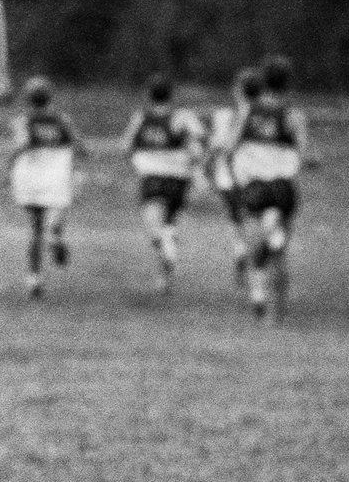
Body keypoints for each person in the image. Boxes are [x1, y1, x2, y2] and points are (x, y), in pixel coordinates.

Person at [220, 55, 315, 322]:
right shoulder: (293, 116)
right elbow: (305, 155)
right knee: (279, 247)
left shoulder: (247, 112)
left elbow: (228, 150)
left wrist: (237, 177)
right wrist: (310, 161)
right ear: (288, 83)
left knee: (256, 246)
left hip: (255, 188)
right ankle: (277, 314)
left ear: (263, 81)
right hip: (284, 189)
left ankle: (258, 293)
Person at [120, 74, 206, 295]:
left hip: (152, 175)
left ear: (149, 95)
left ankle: (165, 254)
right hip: (179, 177)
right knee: (169, 225)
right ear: (171, 94)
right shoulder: (183, 117)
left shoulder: (142, 117)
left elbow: (126, 145)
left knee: (154, 226)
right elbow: (200, 139)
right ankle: (163, 278)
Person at [8, 78, 82, 298]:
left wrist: (10, 160)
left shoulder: (23, 120)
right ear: (50, 97)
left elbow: (21, 144)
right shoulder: (62, 120)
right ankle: (56, 236)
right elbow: (79, 145)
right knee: (55, 219)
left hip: (30, 179)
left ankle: (33, 279)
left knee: (35, 229)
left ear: (28, 99)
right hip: (56, 178)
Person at [208, 67, 262, 284]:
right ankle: (256, 254)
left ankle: (240, 249)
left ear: (238, 91)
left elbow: (218, 145)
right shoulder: (263, 117)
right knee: (256, 217)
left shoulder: (226, 116)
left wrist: (207, 166)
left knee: (235, 218)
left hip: (227, 177)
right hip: (256, 177)